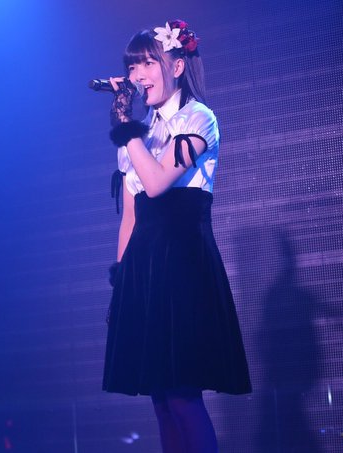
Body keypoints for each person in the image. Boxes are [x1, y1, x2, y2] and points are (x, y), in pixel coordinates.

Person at [102, 20, 251, 453]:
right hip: (145, 268)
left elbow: (156, 183)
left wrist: (125, 127)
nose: (137, 75)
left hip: (183, 264)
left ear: (178, 66)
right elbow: (131, 214)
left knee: (183, 395)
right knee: (161, 400)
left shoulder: (198, 118)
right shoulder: (139, 134)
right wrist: (121, 282)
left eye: (148, 63)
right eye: (132, 67)